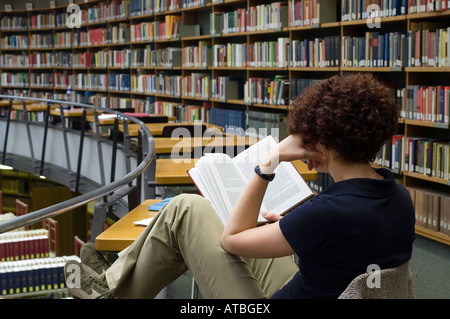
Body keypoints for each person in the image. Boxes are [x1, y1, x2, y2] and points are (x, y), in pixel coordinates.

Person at [64, 73, 415, 299]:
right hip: (318, 287)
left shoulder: (325, 213)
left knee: (184, 210)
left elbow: (232, 239)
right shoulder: (397, 195)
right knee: (192, 213)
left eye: (306, 138)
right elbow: (346, 248)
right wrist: (290, 229)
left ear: (323, 142)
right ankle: (110, 285)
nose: (301, 148)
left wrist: (268, 165)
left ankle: (108, 291)